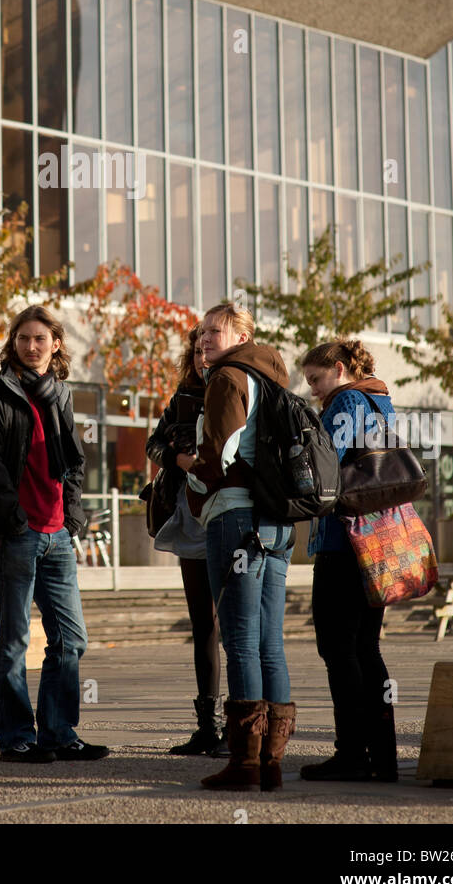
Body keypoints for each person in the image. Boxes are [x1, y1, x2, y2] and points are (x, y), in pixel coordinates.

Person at [0, 304, 108, 764]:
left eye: (40, 338)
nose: (31, 345)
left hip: (57, 533)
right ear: (13, 343)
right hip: (17, 532)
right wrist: (13, 519)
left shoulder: (60, 396)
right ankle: (16, 737)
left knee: (71, 638)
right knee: (14, 641)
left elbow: (75, 463)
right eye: (23, 338)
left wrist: (73, 517)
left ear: (56, 344)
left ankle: (59, 733)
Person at [183, 302, 296, 792]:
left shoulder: (228, 378)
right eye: (202, 331)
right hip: (277, 522)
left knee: (241, 642)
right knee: (271, 643)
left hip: (234, 517)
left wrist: (180, 458)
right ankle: (270, 762)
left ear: (242, 334)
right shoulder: (271, 378)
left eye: (215, 330)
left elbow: (217, 460)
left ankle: (244, 764)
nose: (204, 338)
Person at [299, 338, 397, 782]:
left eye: (316, 380)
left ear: (338, 369)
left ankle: (352, 755)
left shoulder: (347, 400)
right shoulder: (380, 401)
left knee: (338, 649)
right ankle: (383, 754)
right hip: (378, 542)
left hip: (343, 543)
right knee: (366, 648)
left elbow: (324, 466)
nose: (314, 390)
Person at [146, 325, 227, 757]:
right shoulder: (182, 398)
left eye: (208, 349)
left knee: (237, 628)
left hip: (233, 518)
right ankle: (207, 726)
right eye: (196, 351)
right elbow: (152, 444)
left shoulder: (243, 391)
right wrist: (177, 457)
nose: (201, 357)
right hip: (191, 520)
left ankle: (243, 723)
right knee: (204, 625)